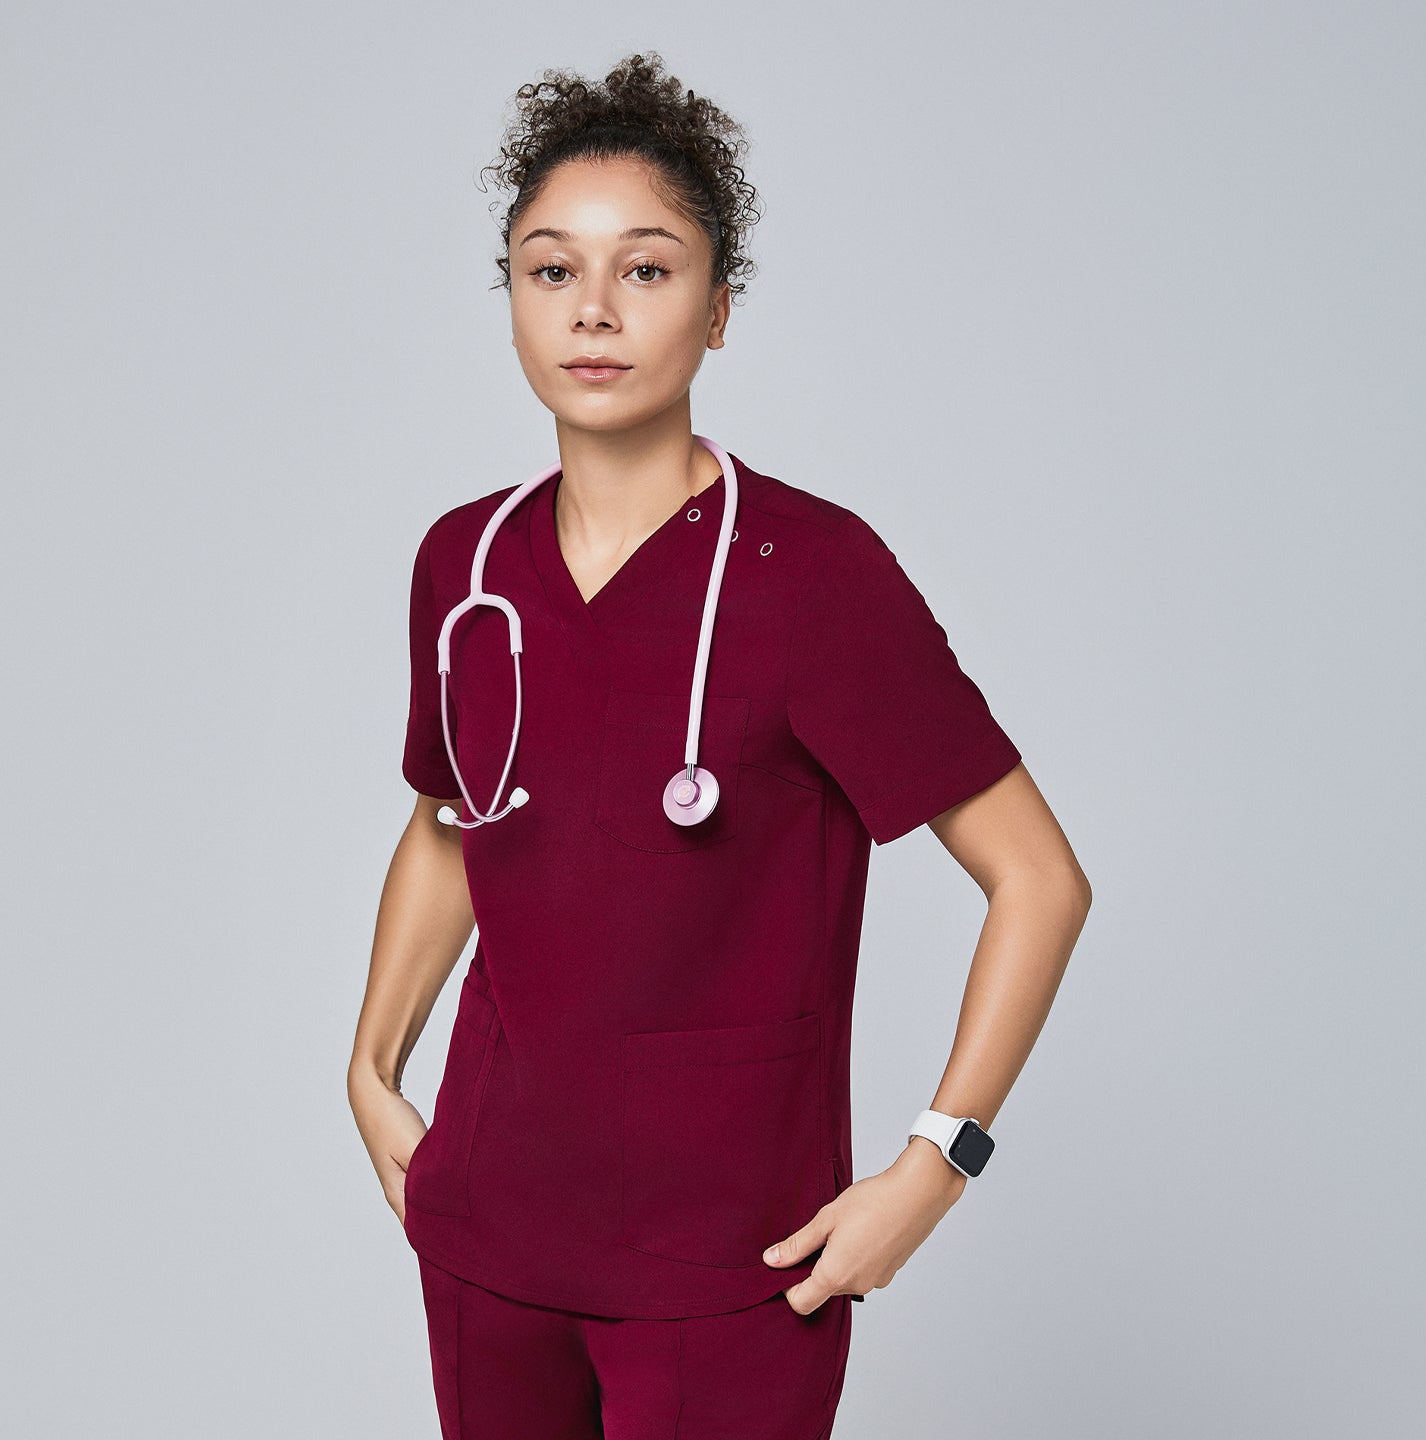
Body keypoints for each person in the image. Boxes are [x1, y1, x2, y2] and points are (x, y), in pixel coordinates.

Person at [347, 51, 1091, 1440]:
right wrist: (370, 1065)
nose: (594, 311)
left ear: (720, 308)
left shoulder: (814, 575)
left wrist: (931, 1171)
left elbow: (1042, 881)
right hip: (488, 1234)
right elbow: (456, 821)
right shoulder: (468, 561)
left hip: (728, 1264)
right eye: (550, 270)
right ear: (508, 302)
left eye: (647, 269)